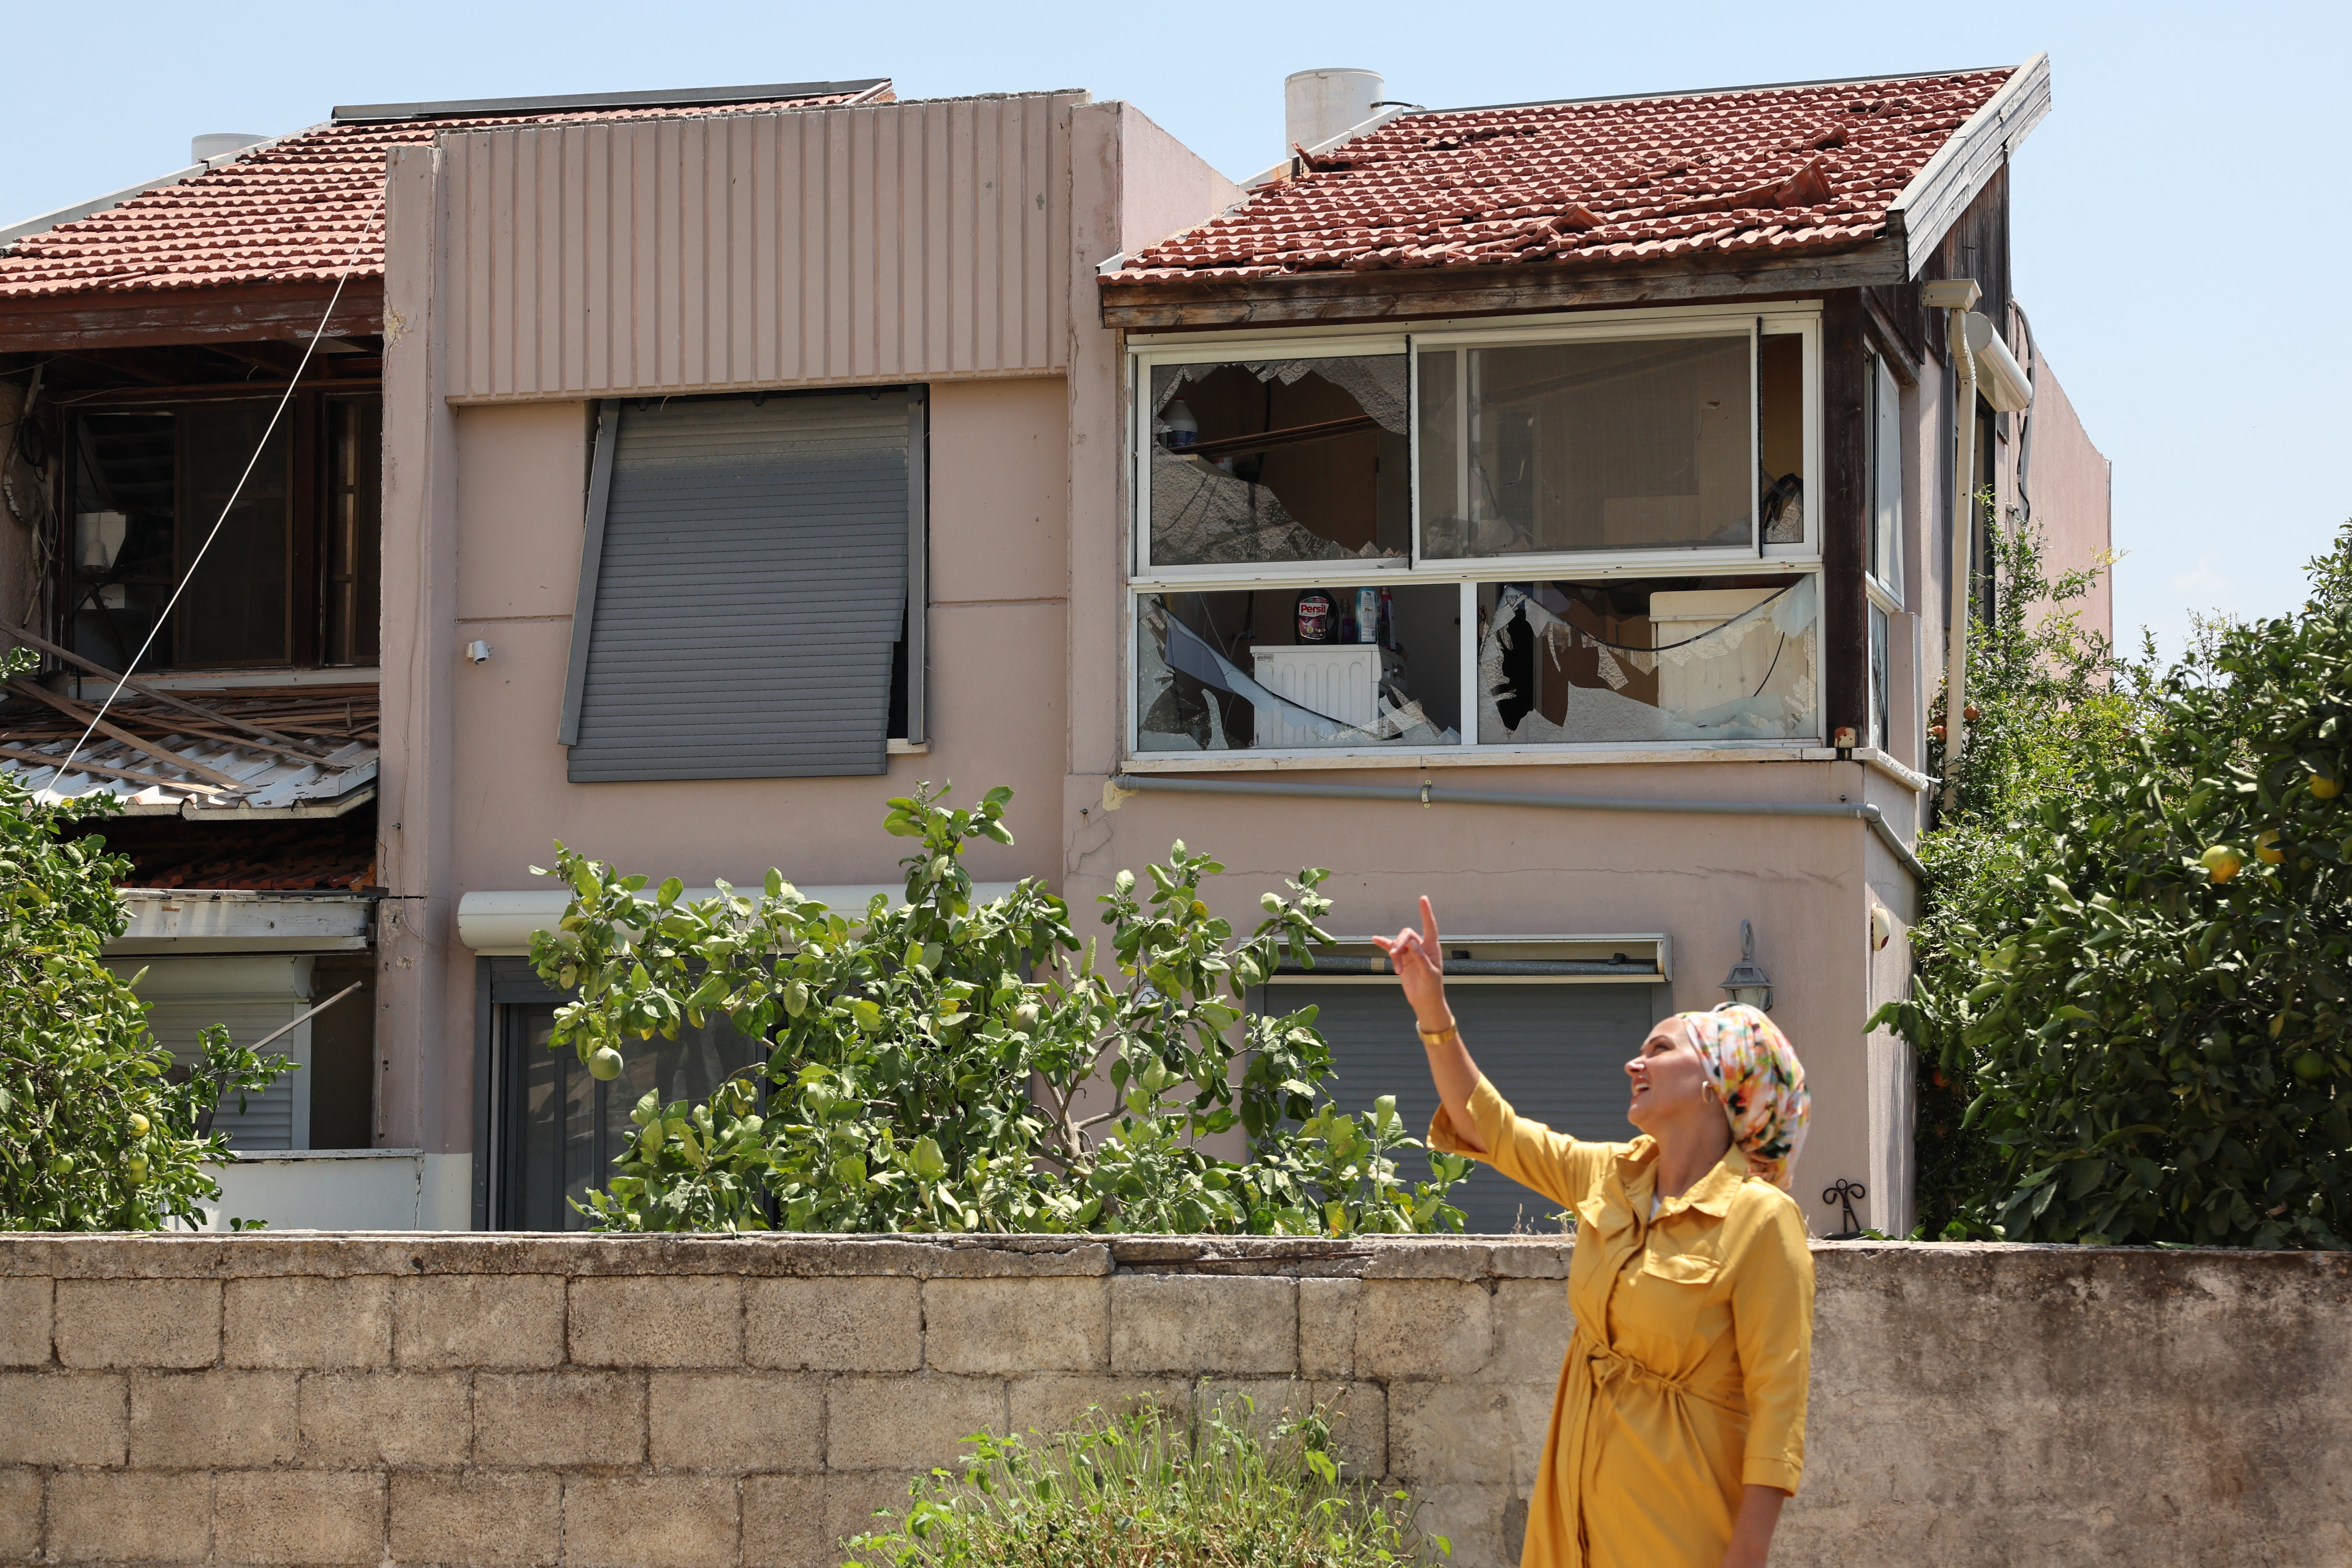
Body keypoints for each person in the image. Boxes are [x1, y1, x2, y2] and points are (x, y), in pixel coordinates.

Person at [1373, 897, 1814, 1568]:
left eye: (1659, 1049)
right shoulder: (1613, 1175)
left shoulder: (1761, 1219)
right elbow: (1495, 1129)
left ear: (1717, 1084)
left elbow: (1778, 1410)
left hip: (1678, 1530)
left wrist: (1746, 1557)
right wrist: (1431, 1007)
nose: (1633, 1064)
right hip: (1573, 1521)